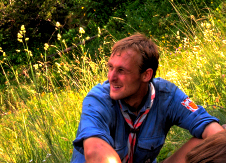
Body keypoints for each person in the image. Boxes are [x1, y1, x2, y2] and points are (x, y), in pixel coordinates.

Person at [73, 34, 225, 163]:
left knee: (220, 139)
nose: (111, 77)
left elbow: (210, 128)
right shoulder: (98, 99)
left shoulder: (167, 96)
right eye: (110, 67)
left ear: (146, 75)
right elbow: (95, 150)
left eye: (121, 70)